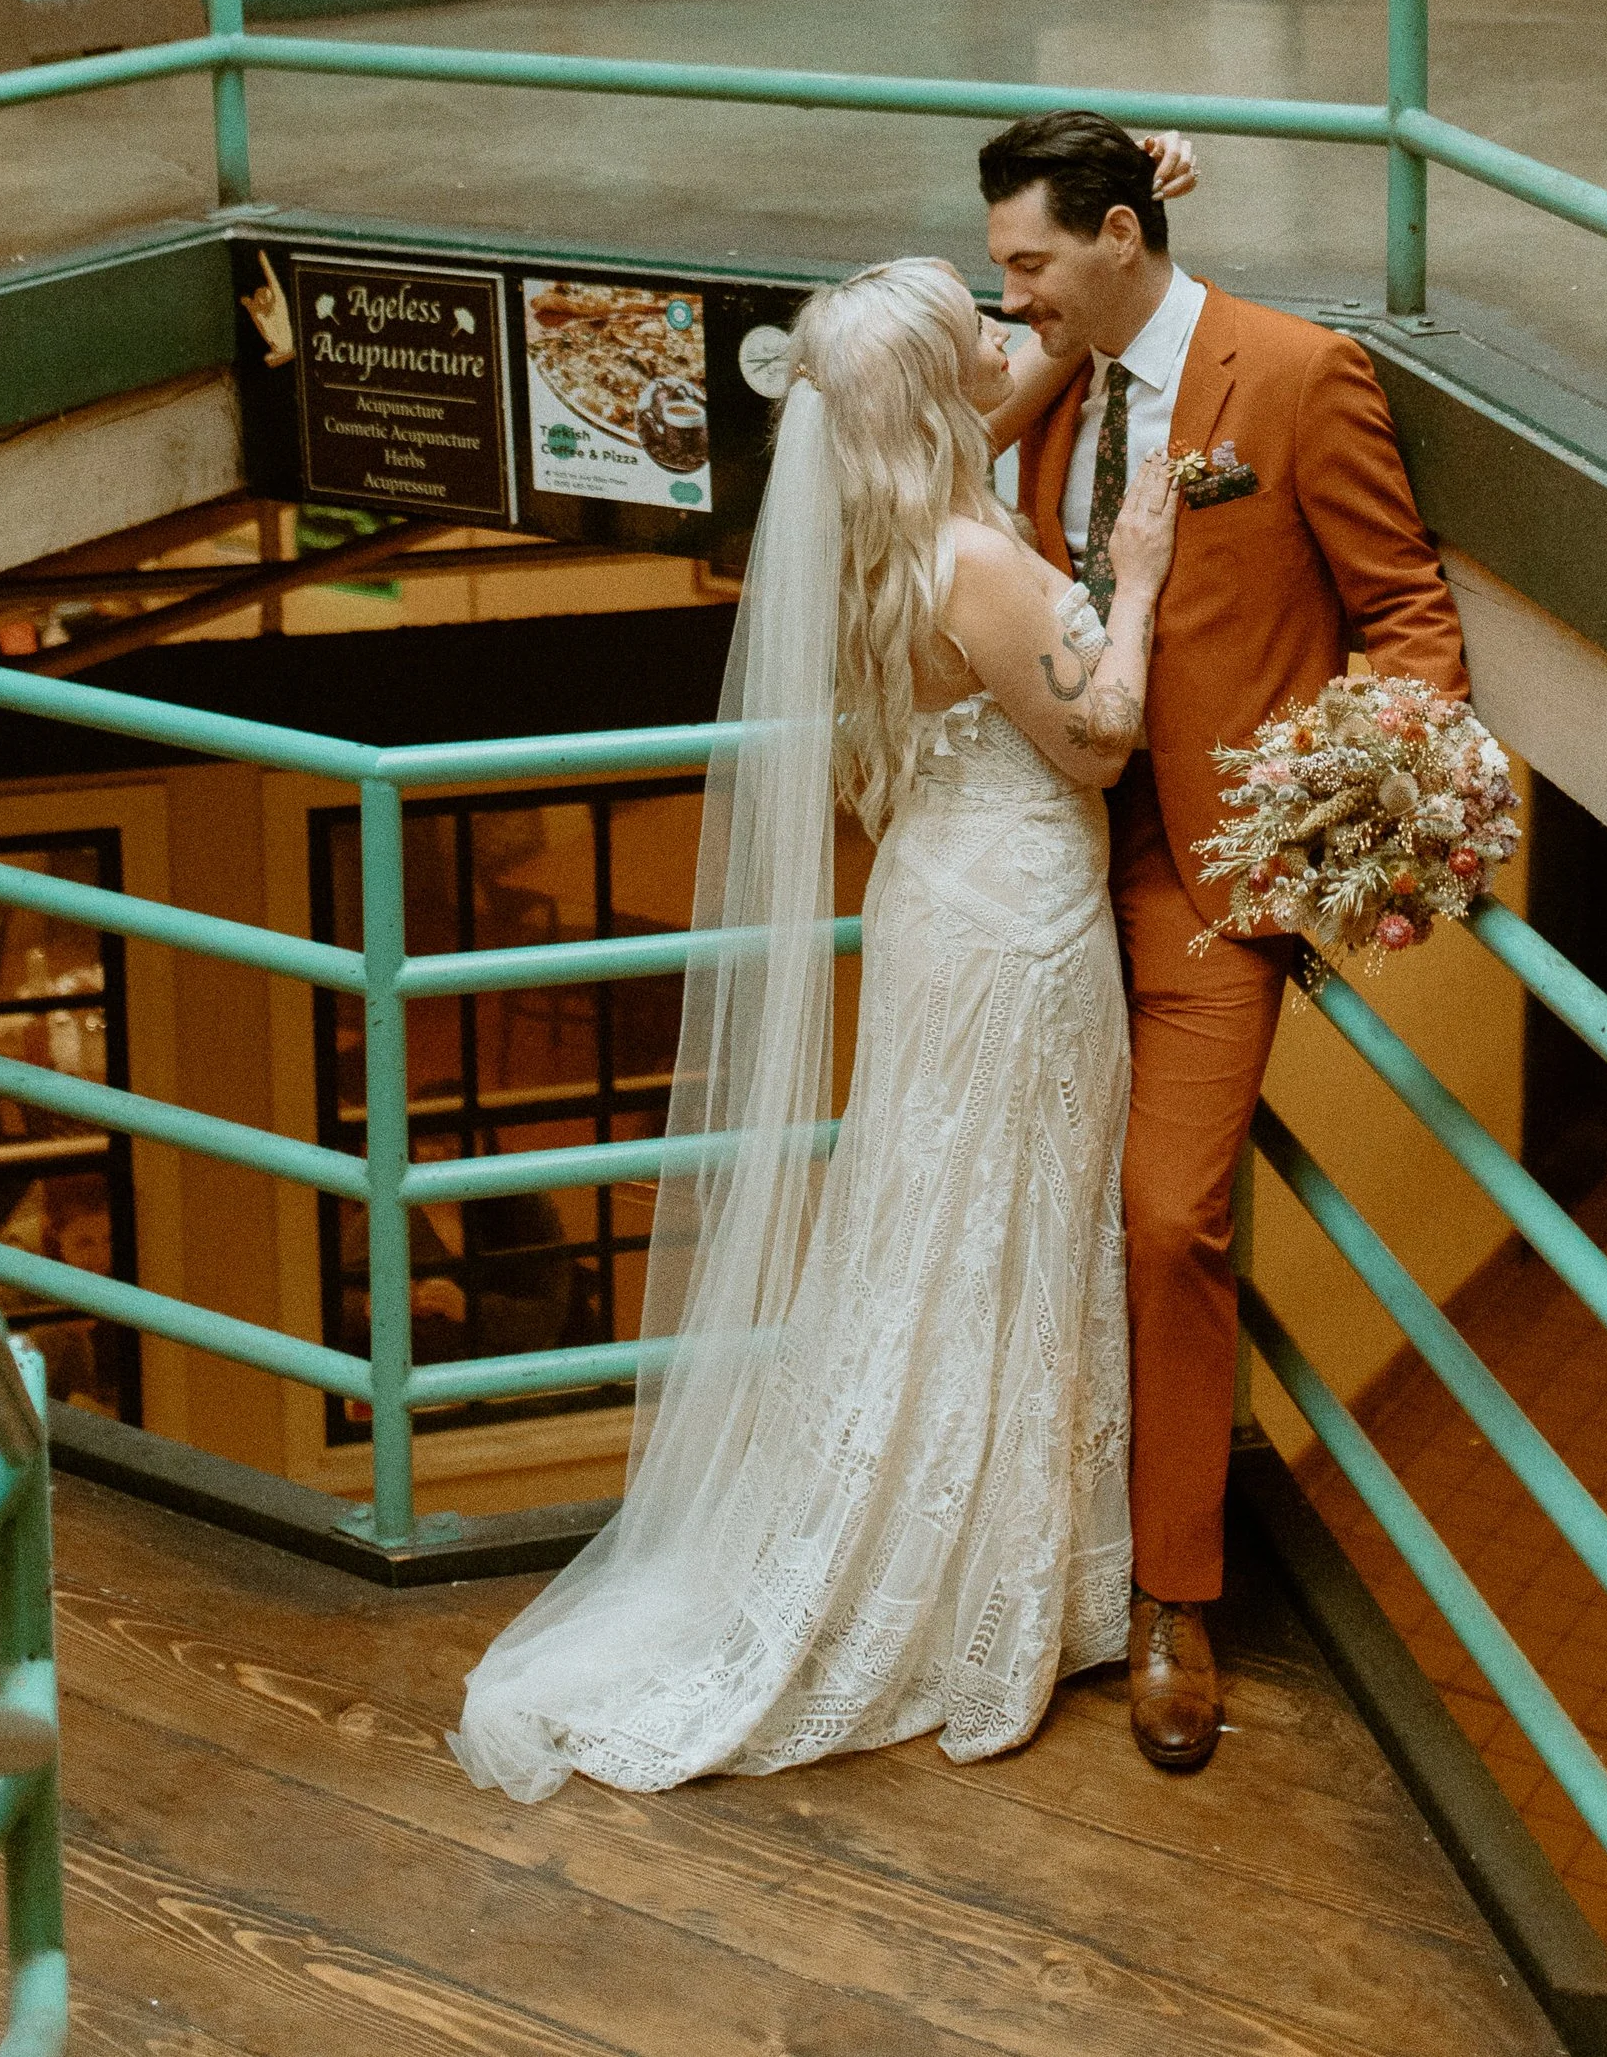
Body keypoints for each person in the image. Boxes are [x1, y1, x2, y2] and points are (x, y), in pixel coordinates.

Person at [453, 254, 1180, 1796]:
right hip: (1024, 923)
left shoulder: (885, 523)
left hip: (936, 903)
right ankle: (995, 1586)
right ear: (932, 395)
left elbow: (1003, 383)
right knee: (1009, 1228)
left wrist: (1099, 278)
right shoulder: (982, 565)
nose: (1008, 328)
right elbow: (1104, 743)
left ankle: (969, 1545)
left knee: (933, 1225)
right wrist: (1140, 570)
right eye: (977, 326)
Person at [979, 111, 1467, 1775]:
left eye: (1033, 263)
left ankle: (1175, 1597)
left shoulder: (1296, 374)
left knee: (1166, 1210)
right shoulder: (1052, 378)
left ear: (1122, 238)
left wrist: (1350, 819)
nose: (1013, 296)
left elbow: (1404, 614)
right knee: (1008, 1195)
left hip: (1205, 883)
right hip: (1040, 847)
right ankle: (1019, 1537)